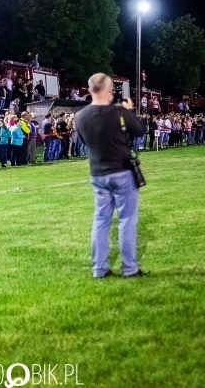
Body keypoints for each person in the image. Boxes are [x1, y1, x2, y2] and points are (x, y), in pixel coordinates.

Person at [74, 73, 147, 279]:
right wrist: (130, 111)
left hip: (97, 172)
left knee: (101, 220)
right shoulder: (119, 112)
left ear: (90, 90)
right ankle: (129, 268)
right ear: (109, 90)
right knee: (126, 220)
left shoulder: (80, 116)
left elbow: (83, 141)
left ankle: (99, 268)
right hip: (121, 170)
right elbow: (140, 130)